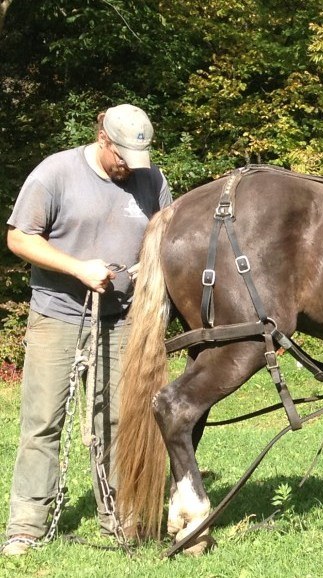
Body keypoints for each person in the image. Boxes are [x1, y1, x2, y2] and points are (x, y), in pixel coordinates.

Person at [2, 104, 172, 556]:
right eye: (122, 158)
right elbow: (19, 237)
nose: (127, 169)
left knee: (119, 421)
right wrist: (78, 268)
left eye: (137, 160)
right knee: (43, 422)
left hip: (124, 320)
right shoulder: (55, 174)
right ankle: (27, 525)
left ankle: (120, 517)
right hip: (58, 316)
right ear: (102, 139)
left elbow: (166, 236)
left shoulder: (152, 181)